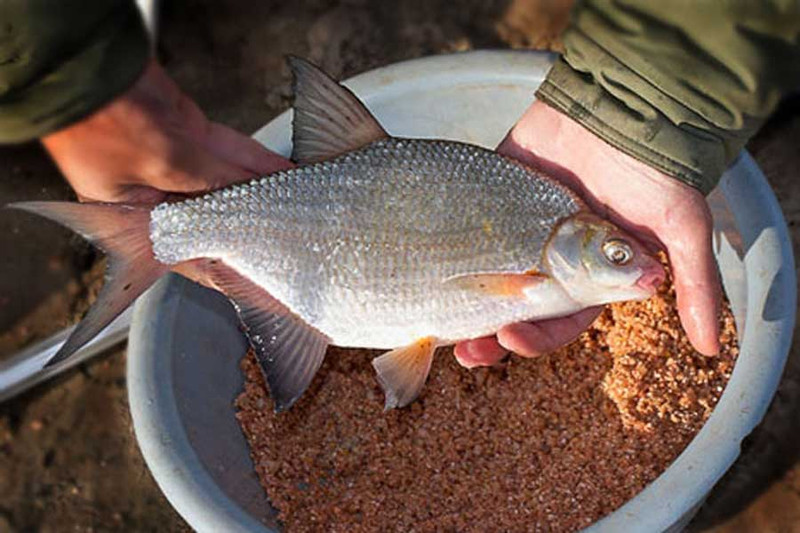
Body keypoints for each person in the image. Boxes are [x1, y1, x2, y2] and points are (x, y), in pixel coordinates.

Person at [2, 1, 798, 364]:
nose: (639, 267)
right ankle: (148, 234)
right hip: (327, 245)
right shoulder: (547, 239)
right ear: (568, 248)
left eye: (620, 255)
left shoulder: (552, 221)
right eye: (622, 257)